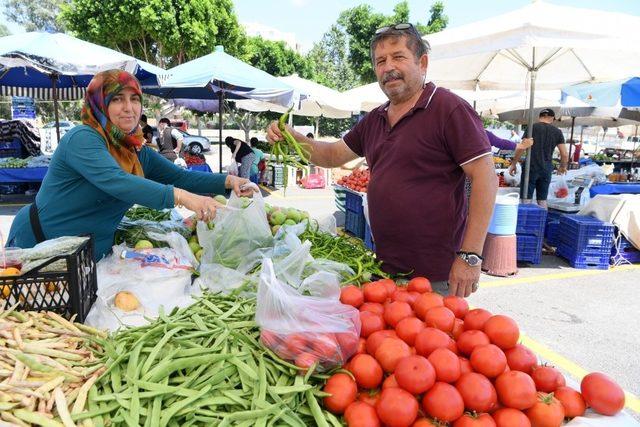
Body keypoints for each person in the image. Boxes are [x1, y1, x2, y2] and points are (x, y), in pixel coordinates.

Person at [267, 23, 497, 298]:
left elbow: (484, 176)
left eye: (398, 57)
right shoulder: (374, 118)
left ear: (422, 62)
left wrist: (470, 255)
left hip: (438, 273)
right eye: (380, 61)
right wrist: (291, 137)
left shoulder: (448, 108)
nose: (388, 67)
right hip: (386, 268)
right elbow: (331, 155)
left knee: (436, 337)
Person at [6, 70, 255, 260]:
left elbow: (183, 177)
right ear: (99, 103)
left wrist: (229, 181)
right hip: (38, 244)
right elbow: (118, 182)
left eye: (135, 99)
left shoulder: (135, 151)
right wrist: (183, 198)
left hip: (89, 255)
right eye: (117, 99)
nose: (129, 108)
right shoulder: (83, 138)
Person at [508, 109, 568, 208]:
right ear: (552, 118)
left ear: (539, 117)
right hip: (547, 168)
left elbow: (522, 147)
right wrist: (562, 166)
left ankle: (525, 221)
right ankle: (541, 221)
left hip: (530, 167)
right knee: (542, 200)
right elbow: (564, 154)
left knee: (526, 198)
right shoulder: (557, 132)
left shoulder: (531, 128)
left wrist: (514, 163)